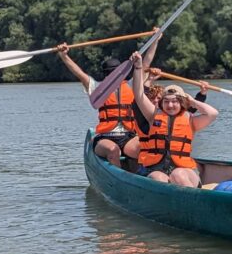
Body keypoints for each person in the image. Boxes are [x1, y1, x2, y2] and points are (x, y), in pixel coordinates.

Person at [55, 34, 161, 167]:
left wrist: (154, 41)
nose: (113, 77)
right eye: (110, 74)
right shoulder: (97, 89)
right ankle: (119, 180)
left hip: (129, 135)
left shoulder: (131, 85)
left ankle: (144, 175)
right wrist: (64, 56)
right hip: (105, 137)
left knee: (148, 146)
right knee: (113, 150)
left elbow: (145, 64)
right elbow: (79, 74)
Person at [130, 52, 218, 186]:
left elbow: (213, 114)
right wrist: (138, 67)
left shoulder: (191, 120)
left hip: (185, 171)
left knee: (178, 175)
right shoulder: (153, 115)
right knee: (159, 178)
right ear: (162, 103)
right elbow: (139, 94)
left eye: (175, 101)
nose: (170, 105)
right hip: (156, 168)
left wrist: (193, 101)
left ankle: (195, 203)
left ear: (182, 102)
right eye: (166, 101)